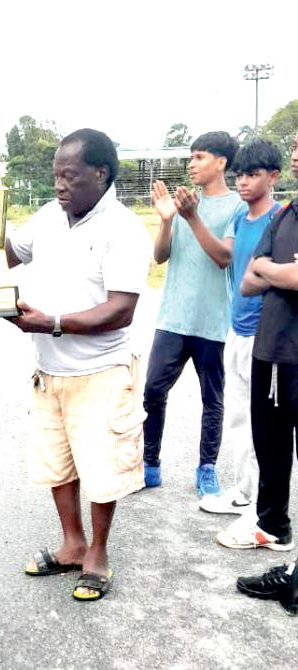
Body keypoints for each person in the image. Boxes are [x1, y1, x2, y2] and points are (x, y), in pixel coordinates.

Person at [2, 129, 151, 601]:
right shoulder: (49, 215)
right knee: (58, 464)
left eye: (69, 176)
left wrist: (53, 323)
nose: (59, 185)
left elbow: (121, 310)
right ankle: (72, 544)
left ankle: (97, 554)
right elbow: (10, 254)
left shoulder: (124, 229)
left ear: (100, 174)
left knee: (102, 470)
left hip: (101, 372)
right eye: (56, 175)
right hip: (49, 373)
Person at [143, 131, 245, 497]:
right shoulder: (184, 203)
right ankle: (149, 464)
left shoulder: (237, 207)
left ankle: (206, 468)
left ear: (221, 162)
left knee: (212, 400)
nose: (191, 164)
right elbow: (160, 257)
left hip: (213, 321)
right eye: (191, 157)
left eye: (199, 157)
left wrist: (192, 216)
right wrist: (167, 220)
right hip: (173, 318)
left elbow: (224, 257)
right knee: (153, 390)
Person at [198, 140, 282, 525]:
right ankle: (244, 491)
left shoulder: (281, 220)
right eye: (240, 175)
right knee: (238, 418)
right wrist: (190, 217)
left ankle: (264, 507)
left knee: (266, 424)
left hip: (267, 336)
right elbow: (224, 257)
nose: (244, 182)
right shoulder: (240, 220)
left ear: (273, 177)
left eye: (253, 175)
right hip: (236, 329)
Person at [235, 131, 298, 615]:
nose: (296, 155)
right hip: (271, 355)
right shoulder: (286, 214)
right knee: (271, 451)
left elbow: (281, 275)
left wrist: (272, 269)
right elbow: (247, 281)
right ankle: (274, 529)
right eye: (295, 147)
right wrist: (280, 270)